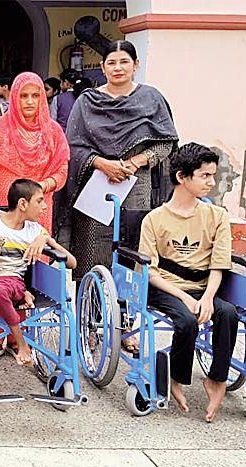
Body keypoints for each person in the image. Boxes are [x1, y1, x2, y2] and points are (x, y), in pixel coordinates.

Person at [137, 142, 238, 423]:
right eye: (204, 176)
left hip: (204, 286)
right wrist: (185, 298)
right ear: (182, 177)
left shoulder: (217, 216)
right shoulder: (154, 219)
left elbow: (219, 265)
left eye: (212, 175)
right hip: (165, 287)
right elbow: (151, 272)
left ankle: (217, 379)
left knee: (228, 313)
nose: (211, 182)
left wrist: (207, 298)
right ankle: (176, 377)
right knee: (187, 321)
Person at [0, 72, 70, 361]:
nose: (29, 101)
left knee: (29, 270)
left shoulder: (53, 132)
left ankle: (19, 336)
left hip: (39, 211)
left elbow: (61, 171)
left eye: (35, 95)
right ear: (13, 97)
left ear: (43, 97)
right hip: (3, 207)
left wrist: (42, 188)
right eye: (23, 95)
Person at [63, 40, 178, 284]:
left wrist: (135, 162)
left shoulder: (151, 98)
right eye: (111, 63)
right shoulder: (87, 102)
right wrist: (102, 164)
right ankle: (91, 312)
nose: (118, 68)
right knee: (93, 249)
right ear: (103, 68)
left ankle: (124, 313)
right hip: (95, 184)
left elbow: (165, 142)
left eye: (124, 61)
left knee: (133, 246)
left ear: (136, 65)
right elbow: (73, 145)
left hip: (137, 185)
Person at [0, 179, 75, 366]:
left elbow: (72, 263)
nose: (45, 206)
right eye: (39, 201)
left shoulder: (35, 230)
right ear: (23, 203)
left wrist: (46, 241)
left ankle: (20, 342)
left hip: (13, 280)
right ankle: (20, 308)